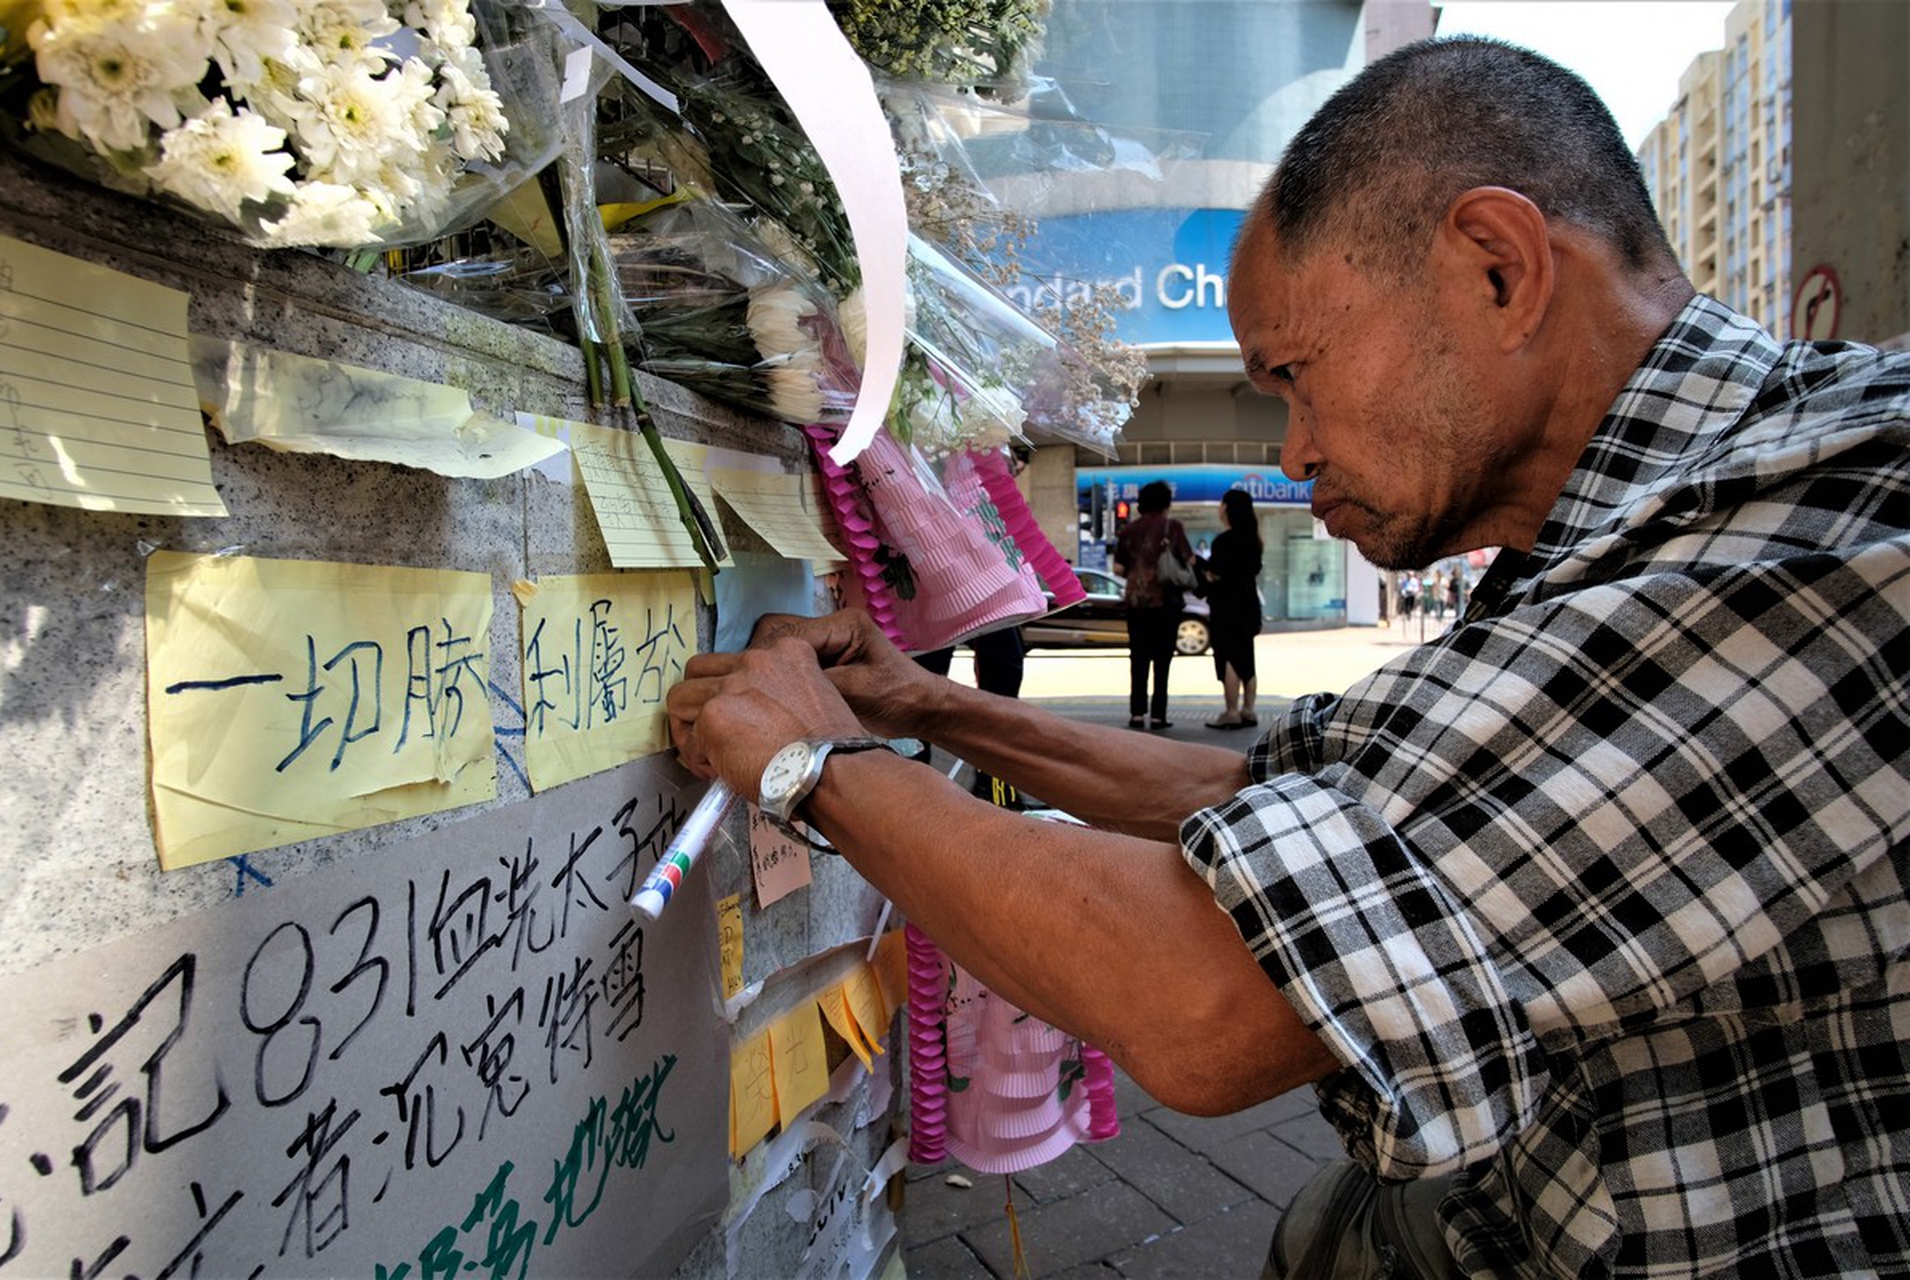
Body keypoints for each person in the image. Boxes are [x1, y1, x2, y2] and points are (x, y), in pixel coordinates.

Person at [669, 36, 1909, 1278]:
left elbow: (1211, 995)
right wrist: (925, 704)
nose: (1299, 449)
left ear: (1498, 268)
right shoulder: (1592, 543)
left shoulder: (1840, 515)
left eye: (1297, 375)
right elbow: (1256, 798)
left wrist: (813, 763)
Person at [1110, 480, 1194, 731]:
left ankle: (1136, 714)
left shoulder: (1128, 530)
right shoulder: (1172, 526)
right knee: (1162, 660)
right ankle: (1158, 716)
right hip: (1165, 602)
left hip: (1136, 602)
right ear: (1166, 502)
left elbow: (1118, 568)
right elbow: (1188, 558)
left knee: (1138, 658)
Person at [1202, 488, 1264, 729]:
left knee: (1229, 657)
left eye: (1221, 503)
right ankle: (1249, 710)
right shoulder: (1254, 540)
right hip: (1248, 604)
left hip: (1226, 606)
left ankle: (1231, 712)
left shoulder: (1224, 541)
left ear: (1227, 509)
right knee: (1247, 657)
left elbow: (1215, 573)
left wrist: (1204, 570)